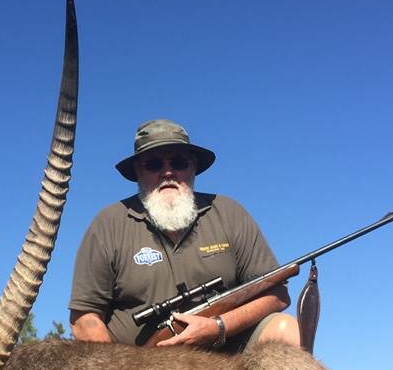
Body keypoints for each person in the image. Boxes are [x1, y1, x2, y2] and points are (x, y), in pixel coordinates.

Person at [69, 118, 300, 351]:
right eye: (153, 164)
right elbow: (83, 319)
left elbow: (277, 294)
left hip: (227, 364)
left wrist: (219, 326)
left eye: (179, 162)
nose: (167, 172)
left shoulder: (230, 213)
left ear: (193, 168)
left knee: (284, 329)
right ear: (138, 171)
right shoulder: (107, 224)